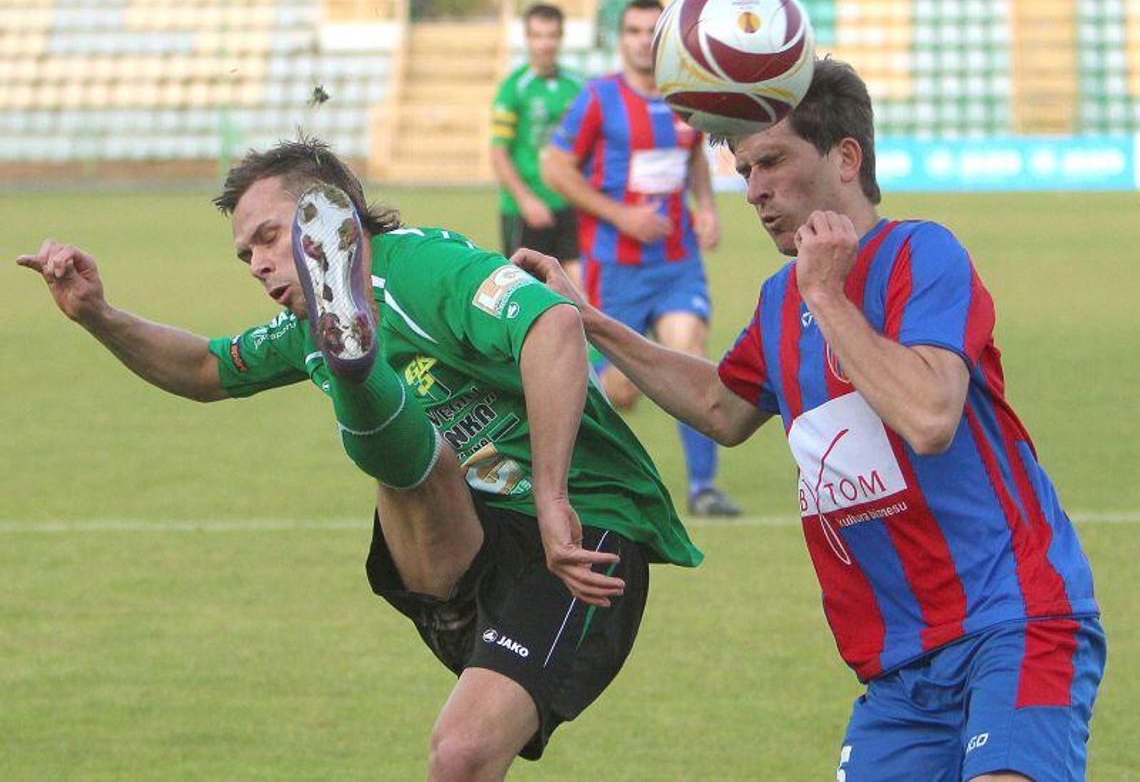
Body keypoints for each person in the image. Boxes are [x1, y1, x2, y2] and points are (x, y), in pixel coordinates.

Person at [17, 138, 702, 780]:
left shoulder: (423, 267)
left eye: (266, 236)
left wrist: (554, 499)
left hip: (584, 528)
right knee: (419, 455)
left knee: (459, 753)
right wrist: (98, 315)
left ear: (330, 220)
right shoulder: (302, 325)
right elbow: (204, 367)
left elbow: (553, 324)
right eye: (244, 253)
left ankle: (359, 374)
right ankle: (358, 369)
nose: (255, 263)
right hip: (474, 543)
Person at [517, 58, 1104, 781]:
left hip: (1013, 618)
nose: (754, 188)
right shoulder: (777, 300)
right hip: (900, 668)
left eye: (772, 161)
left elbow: (928, 415)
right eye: (742, 169)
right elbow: (719, 406)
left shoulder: (921, 255)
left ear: (845, 157)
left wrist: (826, 296)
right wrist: (591, 320)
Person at [543, 0, 741, 518]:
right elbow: (556, 169)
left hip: (677, 263)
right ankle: (582, 473)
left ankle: (703, 487)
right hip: (617, 266)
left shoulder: (685, 98)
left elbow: (695, 157)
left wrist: (706, 208)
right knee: (623, 390)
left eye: (651, 31)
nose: (641, 40)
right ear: (621, 39)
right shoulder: (598, 99)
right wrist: (619, 215)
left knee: (690, 353)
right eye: (632, 30)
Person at [491, 2, 584, 284]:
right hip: (524, 210)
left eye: (551, 36)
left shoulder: (577, 87)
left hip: (570, 205)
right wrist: (526, 200)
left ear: (560, 37)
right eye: (538, 36)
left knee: (579, 292)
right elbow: (498, 153)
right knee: (527, 293)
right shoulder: (514, 88)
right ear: (528, 38)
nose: (545, 44)